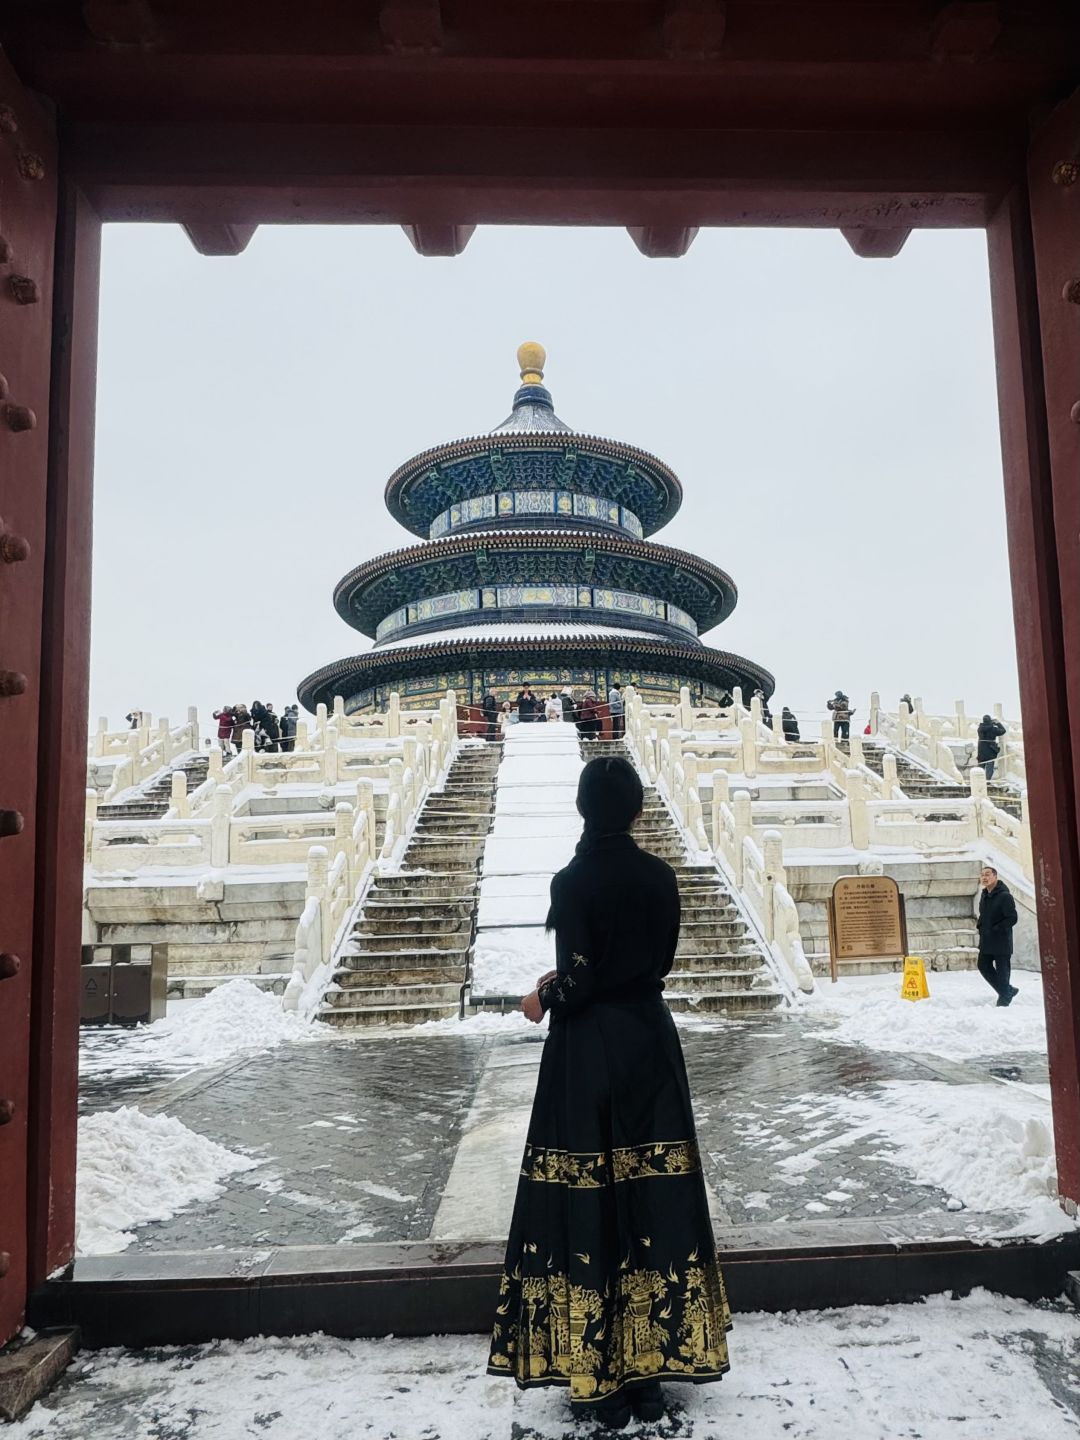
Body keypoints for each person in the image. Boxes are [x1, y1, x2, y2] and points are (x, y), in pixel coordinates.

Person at [488, 756, 730, 1425]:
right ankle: (655, 1367)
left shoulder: (572, 881)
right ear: (636, 811)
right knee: (652, 1197)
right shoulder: (660, 877)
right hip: (649, 1046)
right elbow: (655, 962)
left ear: (581, 809)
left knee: (592, 1199)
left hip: (589, 1052)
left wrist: (542, 993)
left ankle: (601, 1374)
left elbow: (582, 978)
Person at [977, 864, 1018, 1006]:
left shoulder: (1005, 896)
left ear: (995, 876)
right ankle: (1007, 990)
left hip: (1001, 941)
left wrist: (997, 928)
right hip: (986, 940)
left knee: (1002, 971)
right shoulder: (984, 895)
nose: (984, 877)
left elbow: (1012, 918)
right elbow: (983, 914)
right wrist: (980, 926)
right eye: (982, 875)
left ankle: (1004, 998)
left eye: (988, 874)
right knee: (983, 965)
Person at [977, 713, 1007, 781]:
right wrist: (997, 723)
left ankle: (978, 780)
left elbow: (986, 727)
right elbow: (1003, 730)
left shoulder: (980, 728)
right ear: (990, 721)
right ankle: (987, 781)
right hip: (990, 751)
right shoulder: (993, 729)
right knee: (989, 767)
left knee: (980, 766)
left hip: (981, 751)